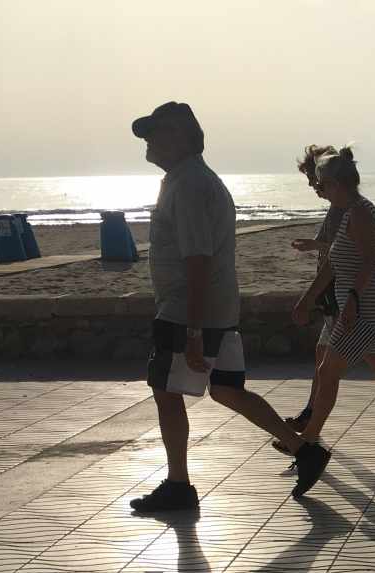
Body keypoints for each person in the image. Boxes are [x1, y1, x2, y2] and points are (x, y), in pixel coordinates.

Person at [125, 100, 308, 514]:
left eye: (156, 132)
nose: (148, 142)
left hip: (189, 310)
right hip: (217, 307)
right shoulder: (191, 179)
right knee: (226, 389)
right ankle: (304, 449)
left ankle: (178, 485)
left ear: (183, 138)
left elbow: (198, 259)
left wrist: (190, 330)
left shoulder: (189, 184)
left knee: (166, 392)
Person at [287, 147, 375, 497]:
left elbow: (370, 263)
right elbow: (335, 264)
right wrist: (306, 299)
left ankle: (308, 443)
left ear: (335, 183)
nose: (319, 189)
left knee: (328, 370)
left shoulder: (360, 213)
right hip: (362, 306)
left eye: (321, 183)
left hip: (364, 309)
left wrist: (351, 299)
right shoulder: (351, 213)